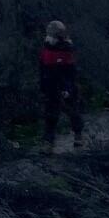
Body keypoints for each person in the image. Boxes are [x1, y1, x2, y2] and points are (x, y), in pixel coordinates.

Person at [39, 20, 85, 151]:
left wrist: (67, 88)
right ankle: (48, 142)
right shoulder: (46, 50)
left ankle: (78, 136)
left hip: (67, 87)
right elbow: (42, 70)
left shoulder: (67, 50)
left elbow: (70, 72)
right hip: (51, 86)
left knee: (73, 111)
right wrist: (43, 87)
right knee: (50, 114)